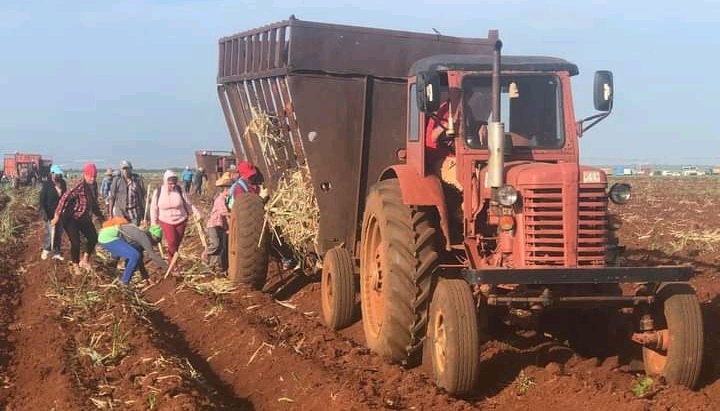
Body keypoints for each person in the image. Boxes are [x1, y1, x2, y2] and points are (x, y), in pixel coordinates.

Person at [51, 162, 105, 274]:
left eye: (94, 176)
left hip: (84, 218)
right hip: (72, 218)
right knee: (75, 242)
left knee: (93, 238)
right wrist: (57, 216)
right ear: (85, 175)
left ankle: (84, 260)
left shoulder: (94, 186)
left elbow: (94, 204)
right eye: (90, 176)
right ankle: (75, 265)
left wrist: (101, 217)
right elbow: (64, 199)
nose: (92, 179)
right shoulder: (79, 185)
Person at [150, 170, 202, 271]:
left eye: (174, 183)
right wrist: (153, 222)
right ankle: (174, 266)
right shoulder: (158, 192)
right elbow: (153, 208)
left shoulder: (179, 189)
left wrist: (196, 213)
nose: (172, 185)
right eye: (170, 183)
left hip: (181, 219)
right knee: (172, 241)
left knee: (176, 243)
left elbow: (188, 204)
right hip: (165, 220)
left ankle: (172, 260)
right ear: (165, 181)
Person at [98, 222, 168, 287]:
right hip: (108, 237)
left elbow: (140, 260)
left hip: (109, 237)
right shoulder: (143, 237)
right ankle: (124, 282)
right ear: (153, 236)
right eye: (157, 240)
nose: (155, 243)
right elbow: (153, 255)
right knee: (134, 256)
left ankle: (113, 271)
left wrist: (146, 278)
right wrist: (169, 269)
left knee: (136, 256)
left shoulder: (139, 241)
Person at [204, 173, 233, 274]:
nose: (231, 191)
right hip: (213, 225)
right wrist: (234, 215)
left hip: (220, 226)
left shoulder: (226, 200)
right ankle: (205, 253)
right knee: (215, 244)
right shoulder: (220, 199)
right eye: (229, 189)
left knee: (220, 247)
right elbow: (224, 213)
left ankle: (210, 267)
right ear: (225, 190)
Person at [39, 165, 67, 260]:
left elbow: (65, 198)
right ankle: (46, 249)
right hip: (50, 214)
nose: (59, 176)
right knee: (50, 233)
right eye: (57, 174)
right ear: (52, 174)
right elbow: (42, 200)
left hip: (60, 213)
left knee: (59, 233)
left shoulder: (63, 183)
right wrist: (44, 213)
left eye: (60, 174)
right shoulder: (47, 185)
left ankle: (57, 252)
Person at [108, 160, 146, 226]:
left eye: (127, 168)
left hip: (134, 213)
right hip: (121, 213)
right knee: (123, 233)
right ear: (121, 170)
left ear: (131, 169)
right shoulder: (117, 181)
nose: (125, 171)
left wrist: (144, 214)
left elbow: (141, 198)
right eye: (123, 169)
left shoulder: (137, 181)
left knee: (134, 233)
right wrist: (110, 214)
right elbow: (112, 197)